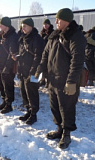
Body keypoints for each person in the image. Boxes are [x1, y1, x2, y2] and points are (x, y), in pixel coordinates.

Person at [36, 8, 86, 149]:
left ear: (67, 21)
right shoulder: (54, 35)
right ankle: (59, 129)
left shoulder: (76, 36)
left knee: (67, 108)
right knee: (55, 106)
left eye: (59, 19)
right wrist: (40, 69)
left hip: (66, 81)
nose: (56, 22)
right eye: (56, 19)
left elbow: (77, 61)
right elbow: (45, 54)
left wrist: (71, 81)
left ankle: (67, 134)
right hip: (52, 79)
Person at [17, 18, 44, 125]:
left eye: (25, 26)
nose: (22, 28)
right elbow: (23, 54)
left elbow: (38, 56)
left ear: (31, 27)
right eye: (22, 26)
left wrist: (33, 71)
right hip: (23, 69)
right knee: (24, 91)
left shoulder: (36, 39)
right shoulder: (23, 38)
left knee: (32, 92)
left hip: (33, 71)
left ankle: (33, 114)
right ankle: (28, 111)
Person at [0, 17, 19, 114]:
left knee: (8, 85)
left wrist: (7, 67)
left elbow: (12, 53)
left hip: (7, 66)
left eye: (2, 24)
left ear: (7, 25)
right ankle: (4, 101)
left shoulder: (13, 36)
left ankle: (9, 104)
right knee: (0, 84)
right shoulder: (1, 35)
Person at [39, 19, 54, 87]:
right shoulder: (42, 32)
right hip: (42, 51)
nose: (45, 26)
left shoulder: (52, 32)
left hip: (49, 52)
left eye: (47, 24)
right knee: (43, 66)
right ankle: (42, 80)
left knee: (48, 67)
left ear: (49, 25)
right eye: (44, 24)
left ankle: (48, 81)